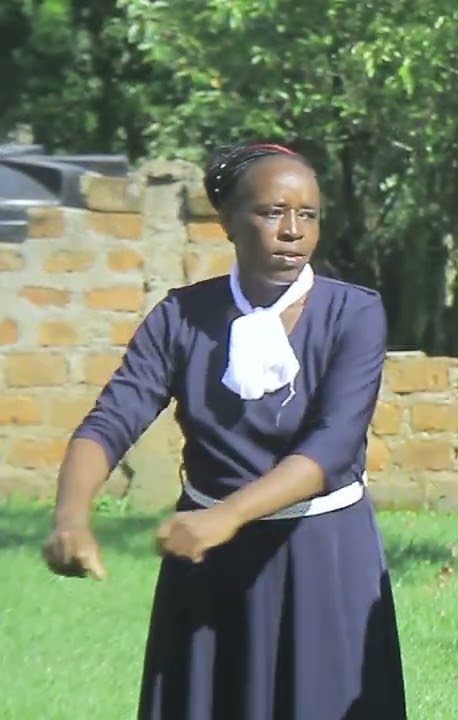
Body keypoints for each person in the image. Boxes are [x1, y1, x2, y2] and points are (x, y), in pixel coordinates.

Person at [40, 143, 408, 720]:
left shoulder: (354, 313)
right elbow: (112, 419)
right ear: (229, 223)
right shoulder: (182, 316)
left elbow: (333, 445)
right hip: (209, 562)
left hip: (320, 552)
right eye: (270, 213)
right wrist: (70, 517)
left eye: (307, 215)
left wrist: (226, 517)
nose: (291, 231)